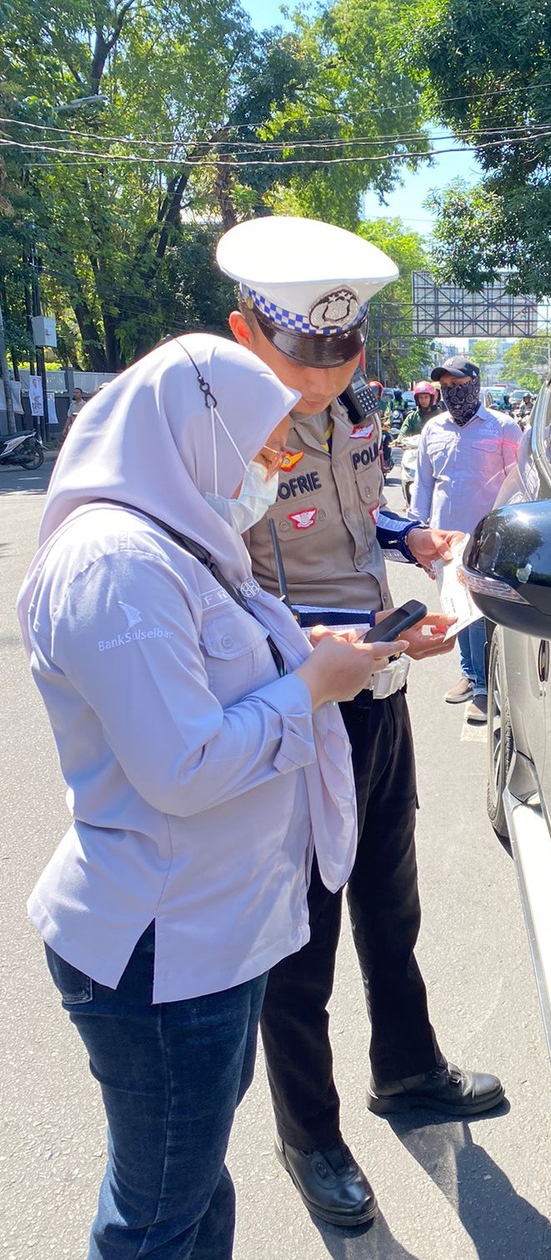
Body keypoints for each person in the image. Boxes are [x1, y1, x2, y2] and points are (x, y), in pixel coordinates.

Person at [16, 332, 404, 1259]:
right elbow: (182, 765)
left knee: (189, 1187)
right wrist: (313, 688)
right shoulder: (117, 565)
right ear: (200, 431)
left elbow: (221, 671)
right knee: (156, 1214)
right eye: (262, 446)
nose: (271, 467)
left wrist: (324, 656)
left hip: (208, 938)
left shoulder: (178, 543)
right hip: (162, 953)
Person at [215, 215, 505, 1230]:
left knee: (392, 895)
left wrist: (410, 532)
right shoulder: (223, 442)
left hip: (376, 684)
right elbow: (215, 593)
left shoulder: (351, 409)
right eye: (306, 359)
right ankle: (310, 1135)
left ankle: (408, 1066)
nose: (325, 381)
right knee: (300, 934)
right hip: (294, 703)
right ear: (247, 334)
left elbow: (358, 509)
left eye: (343, 356)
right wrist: (340, 639)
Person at [413, 355, 522, 722]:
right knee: (457, 609)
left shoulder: (503, 428)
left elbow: (519, 484)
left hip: (489, 539)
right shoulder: (433, 430)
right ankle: (470, 674)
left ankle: (485, 687)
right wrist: (418, 535)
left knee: (481, 611)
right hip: (444, 540)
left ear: (475, 384)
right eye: (446, 388)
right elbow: (424, 485)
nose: (452, 394)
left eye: (459, 386)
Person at [396, 378, 443, 444]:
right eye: (421, 397)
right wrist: (399, 439)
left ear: (431, 398)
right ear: (417, 399)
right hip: (414, 450)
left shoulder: (440, 416)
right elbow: (403, 433)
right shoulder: (412, 417)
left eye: (426, 397)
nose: (423, 400)